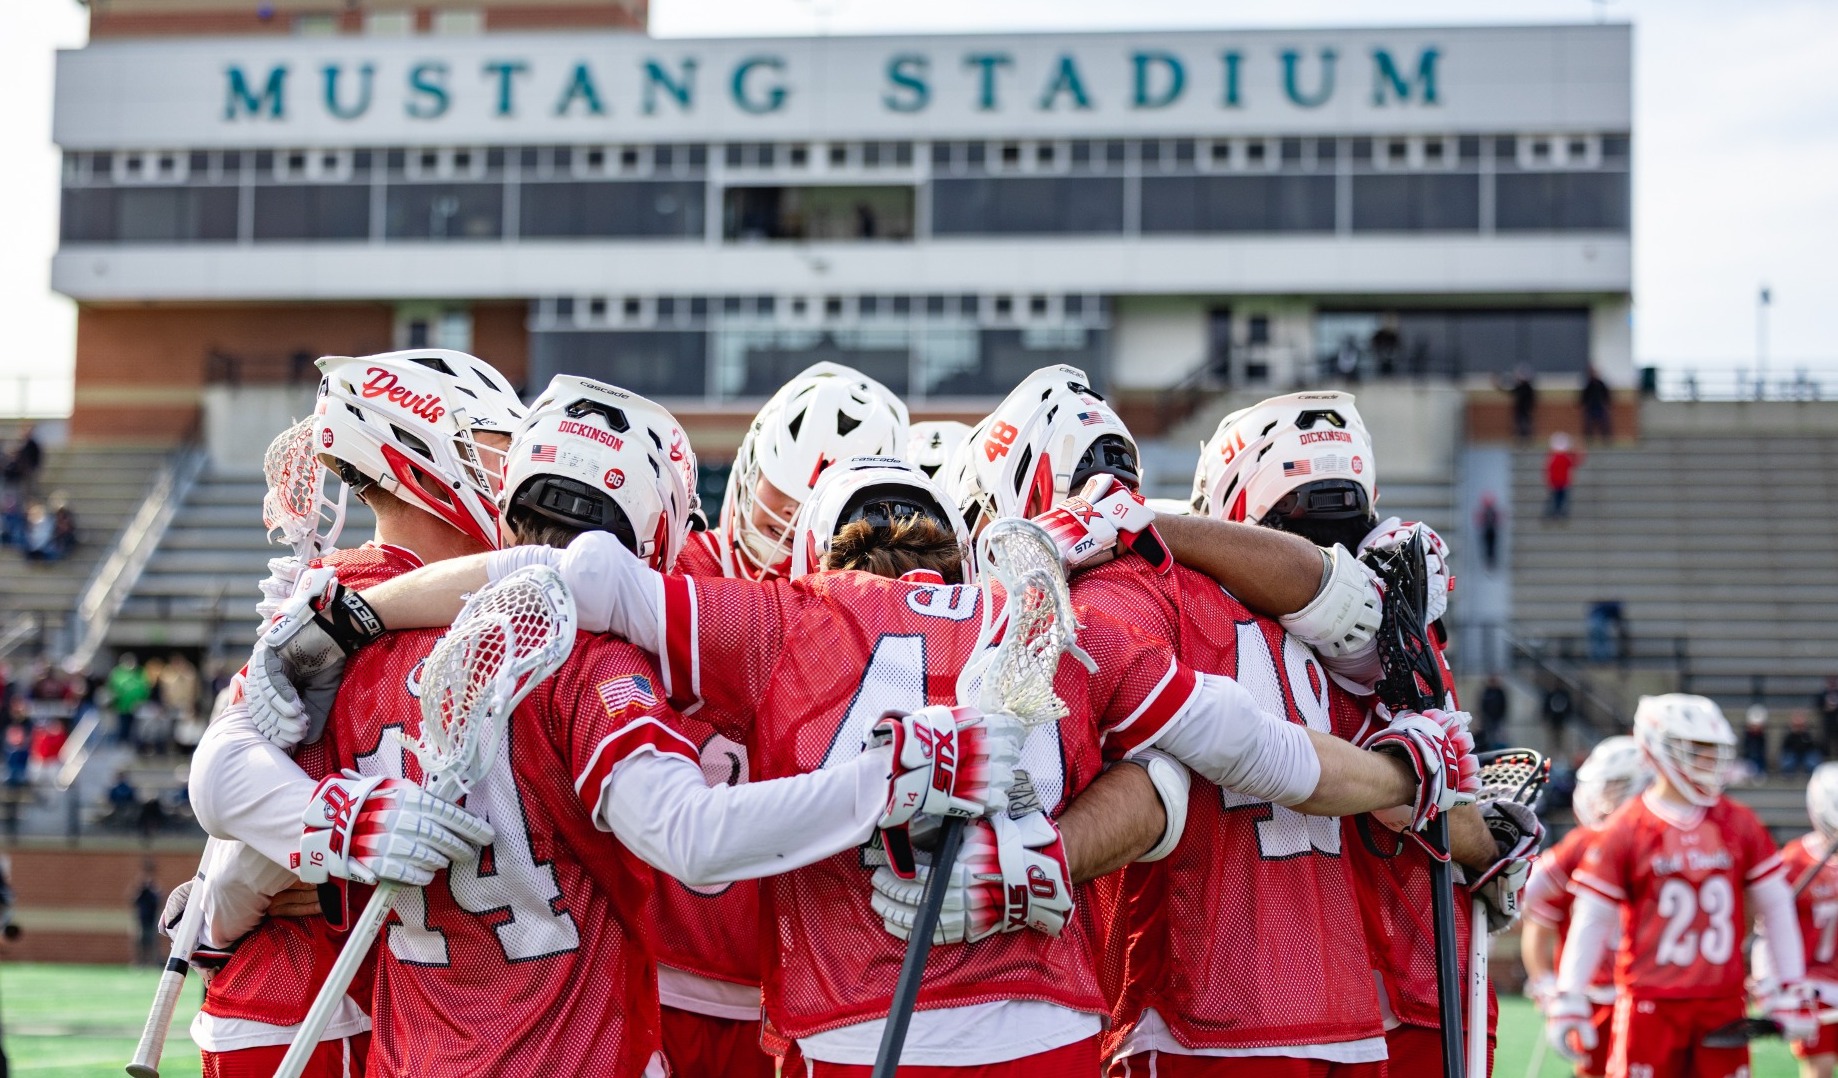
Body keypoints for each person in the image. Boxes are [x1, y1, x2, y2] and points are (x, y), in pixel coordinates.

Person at [297, 455, 1468, 1076]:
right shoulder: (1050, 617)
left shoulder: (781, 613)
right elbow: (1221, 756)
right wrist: (1405, 779)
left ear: (820, 540)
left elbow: (577, 576)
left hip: (856, 1015)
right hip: (1040, 1014)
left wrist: (360, 614)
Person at [258, 378, 1016, 1075]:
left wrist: (352, 623)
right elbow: (694, 835)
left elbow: (231, 794)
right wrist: (899, 783)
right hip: (642, 1012)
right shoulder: (641, 637)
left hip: (455, 1032)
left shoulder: (379, 638)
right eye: (770, 508)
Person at [183, 348, 529, 1078]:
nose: (512, 468)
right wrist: (335, 842)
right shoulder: (343, 601)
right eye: (490, 445)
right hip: (313, 1002)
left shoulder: (395, 595)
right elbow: (228, 781)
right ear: (417, 455)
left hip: (389, 993)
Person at [1187, 388, 1523, 1076]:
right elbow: (1441, 813)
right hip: (1403, 983)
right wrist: (1492, 842)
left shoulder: (1201, 626)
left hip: (1285, 990)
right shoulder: (1401, 633)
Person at [1548, 694, 1815, 1077]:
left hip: (1722, 1003)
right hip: (1650, 1003)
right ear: (1656, 750)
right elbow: (1592, 918)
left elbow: (1776, 908)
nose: (1710, 761)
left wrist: (1790, 986)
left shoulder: (1739, 822)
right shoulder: (1627, 828)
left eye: (1714, 751)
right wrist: (1570, 995)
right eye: (1698, 750)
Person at [1521, 736, 1650, 1078]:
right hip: (1595, 994)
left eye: (1616, 785)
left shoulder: (1665, 841)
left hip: (1648, 992)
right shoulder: (1583, 844)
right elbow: (1531, 905)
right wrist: (1545, 981)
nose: (1605, 796)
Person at [1758, 764, 1838, 1078]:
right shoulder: (1795, 860)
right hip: (1813, 983)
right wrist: (1770, 980)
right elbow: (1767, 925)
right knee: (1819, 1068)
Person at [106, 654, 151, 747]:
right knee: (122, 725)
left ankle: (133, 744)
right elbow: (112, 688)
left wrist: (141, 700)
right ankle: (122, 743)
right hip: (121, 706)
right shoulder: (117, 673)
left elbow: (145, 688)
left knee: (136, 727)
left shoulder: (139, 673)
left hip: (136, 706)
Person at [1545, 432, 1582, 519]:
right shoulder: (1564, 457)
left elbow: (1548, 470)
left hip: (1556, 482)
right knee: (1560, 499)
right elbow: (1575, 463)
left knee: (1556, 498)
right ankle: (1558, 513)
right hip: (1562, 482)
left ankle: (1554, 513)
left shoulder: (1552, 457)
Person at [2, 424, 42, 504]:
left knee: (29, 491)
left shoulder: (33, 444)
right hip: (22, 472)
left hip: (29, 471)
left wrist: (31, 468)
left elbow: (36, 457)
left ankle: (31, 504)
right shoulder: (23, 443)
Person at [132, 867, 162, 966]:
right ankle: (140, 962)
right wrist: (141, 891)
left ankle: (154, 962)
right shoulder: (141, 893)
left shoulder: (154, 893)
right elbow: (134, 901)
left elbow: (158, 902)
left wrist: (152, 892)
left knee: (153, 943)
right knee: (140, 943)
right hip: (142, 921)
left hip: (152, 921)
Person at [1479, 674, 1509, 753]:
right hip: (1488, 719)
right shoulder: (1487, 692)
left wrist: (1501, 716)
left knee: (1499, 736)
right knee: (1489, 736)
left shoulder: (1500, 692)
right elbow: (1483, 705)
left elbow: (1504, 705)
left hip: (1497, 718)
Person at [1544, 683, 1575, 759]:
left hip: (1562, 722)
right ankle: (1551, 758)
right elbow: (1546, 707)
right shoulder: (1551, 694)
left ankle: (1562, 759)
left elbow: (1569, 708)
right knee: (1551, 743)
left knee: (1563, 743)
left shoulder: (1564, 695)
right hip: (1553, 722)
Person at [1581, 367, 1612, 442]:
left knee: (1604, 423)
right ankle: (1589, 439)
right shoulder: (1589, 384)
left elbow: (1606, 394)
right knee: (1588, 424)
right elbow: (1584, 396)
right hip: (1591, 407)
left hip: (1600, 406)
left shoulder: (1601, 384)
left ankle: (1606, 439)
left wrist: (1607, 403)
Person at [1745, 701, 1772, 776]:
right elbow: (1745, 748)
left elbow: (1764, 750)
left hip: (1760, 757)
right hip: (1749, 757)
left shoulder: (1763, 737)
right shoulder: (1747, 736)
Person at [1476, 494, 1502, 570]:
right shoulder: (1489, 512)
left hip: (1491, 531)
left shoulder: (1491, 511)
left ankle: (1491, 560)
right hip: (1488, 531)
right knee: (1488, 546)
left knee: (1491, 547)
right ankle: (1489, 560)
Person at [1511, 368, 1537, 442]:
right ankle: (1521, 439)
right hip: (1520, 410)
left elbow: (1532, 399)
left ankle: (1526, 439)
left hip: (1526, 410)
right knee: (1520, 424)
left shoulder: (1528, 388)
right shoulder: (1520, 387)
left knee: (1525, 425)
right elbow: (1511, 392)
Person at [1819, 677, 1838, 762]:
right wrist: (1827, 707)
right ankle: (1826, 759)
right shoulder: (1822, 694)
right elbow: (1819, 706)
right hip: (1827, 722)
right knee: (1826, 741)